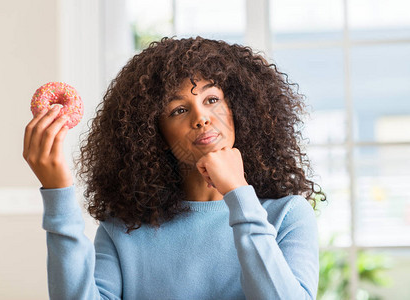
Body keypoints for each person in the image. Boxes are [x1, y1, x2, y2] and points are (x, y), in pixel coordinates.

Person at [23, 36, 325, 300]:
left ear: (239, 111)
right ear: (156, 134)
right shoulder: (124, 229)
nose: (201, 117)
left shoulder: (287, 215)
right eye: (179, 109)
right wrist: (57, 194)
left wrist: (239, 193)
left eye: (212, 99)